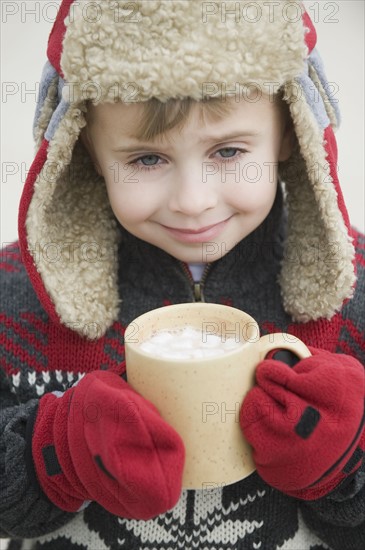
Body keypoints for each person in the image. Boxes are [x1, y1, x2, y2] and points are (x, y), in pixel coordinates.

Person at [1, 1, 364, 549]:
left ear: (292, 132)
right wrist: (53, 454)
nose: (193, 202)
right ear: (89, 152)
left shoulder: (354, 294)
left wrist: (348, 465)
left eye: (229, 151)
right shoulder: (19, 295)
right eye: (147, 160)